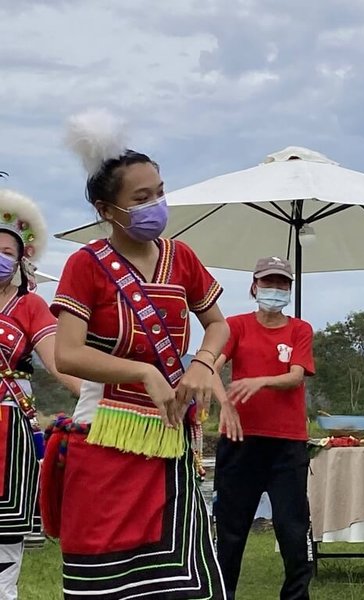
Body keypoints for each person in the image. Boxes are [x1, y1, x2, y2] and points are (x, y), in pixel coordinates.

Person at [41, 109, 230, 599]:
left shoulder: (181, 257)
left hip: (170, 441)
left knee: (181, 576)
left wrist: (205, 364)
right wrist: (144, 371)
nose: (156, 206)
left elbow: (217, 325)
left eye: (161, 193)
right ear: (108, 210)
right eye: (141, 198)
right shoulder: (86, 265)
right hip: (106, 433)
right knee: (103, 572)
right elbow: (68, 354)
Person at [213, 256, 315, 600]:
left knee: (292, 530)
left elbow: (295, 376)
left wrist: (260, 382)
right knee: (230, 531)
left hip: (287, 444)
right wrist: (225, 404)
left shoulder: (299, 329)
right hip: (241, 441)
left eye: (282, 284)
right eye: (269, 283)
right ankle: (221, 593)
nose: (275, 289)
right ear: (254, 287)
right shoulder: (235, 326)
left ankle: (296, 596)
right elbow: (210, 367)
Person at [0, 189, 82, 599]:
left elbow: (61, 362)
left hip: (7, 429)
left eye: (5, 251)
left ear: (19, 259)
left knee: (3, 538)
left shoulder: (30, 306)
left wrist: (99, 399)